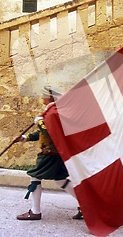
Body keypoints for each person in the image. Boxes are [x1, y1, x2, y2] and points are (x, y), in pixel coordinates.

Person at [15, 85, 82, 221]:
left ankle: (35, 211)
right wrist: (26, 138)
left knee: (35, 177)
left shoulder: (53, 113)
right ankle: (85, 206)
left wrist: (40, 122)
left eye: (44, 95)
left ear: (50, 97)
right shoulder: (53, 112)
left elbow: (49, 132)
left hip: (49, 153)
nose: (42, 98)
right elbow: (43, 133)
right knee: (60, 180)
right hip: (56, 153)